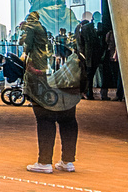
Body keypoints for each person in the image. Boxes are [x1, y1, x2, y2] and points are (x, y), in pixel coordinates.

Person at [21, 13, 80, 173]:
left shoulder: (31, 27)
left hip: (42, 77)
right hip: (67, 82)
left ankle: (44, 162)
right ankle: (67, 161)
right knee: (68, 120)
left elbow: (26, 44)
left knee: (45, 119)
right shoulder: (73, 55)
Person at [75, 11, 103, 100]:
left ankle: (87, 92)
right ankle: (87, 92)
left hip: (89, 54)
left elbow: (80, 43)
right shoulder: (89, 28)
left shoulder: (84, 28)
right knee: (89, 74)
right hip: (92, 54)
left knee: (88, 75)